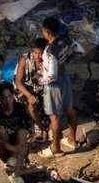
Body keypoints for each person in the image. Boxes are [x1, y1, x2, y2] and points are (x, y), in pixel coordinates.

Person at [39, 17, 78, 157]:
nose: (42, 33)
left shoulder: (50, 49)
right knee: (69, 109)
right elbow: (76, 51)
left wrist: (41, 80)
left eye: (43, 31)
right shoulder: (65, 40)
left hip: (54, 84)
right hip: (65, 78)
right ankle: (72, 140)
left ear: (47, 31)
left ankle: (55, 148)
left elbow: (52, 75)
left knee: (54, 117)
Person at [0, 82, 32, 176]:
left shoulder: (20, 108)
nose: (8, 100)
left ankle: (14, 162)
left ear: (13, 95)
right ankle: (16, 161)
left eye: (9, 96)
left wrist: (27, 137)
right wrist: (10, 147)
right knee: (0, 129)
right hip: (5, 145)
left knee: (22, 132)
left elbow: (30, 128)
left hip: (19, 143)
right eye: (4, 98)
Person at [13, 38, 47, 131]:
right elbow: (18, 82)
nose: (38, 56)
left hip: (42, 89)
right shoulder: (25, 59)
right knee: (30, 105)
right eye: (35, 53)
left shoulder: (48, 61)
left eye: (41, 53)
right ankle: (41, 128)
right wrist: (29, 96)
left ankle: (40, 124)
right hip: (25, 88)